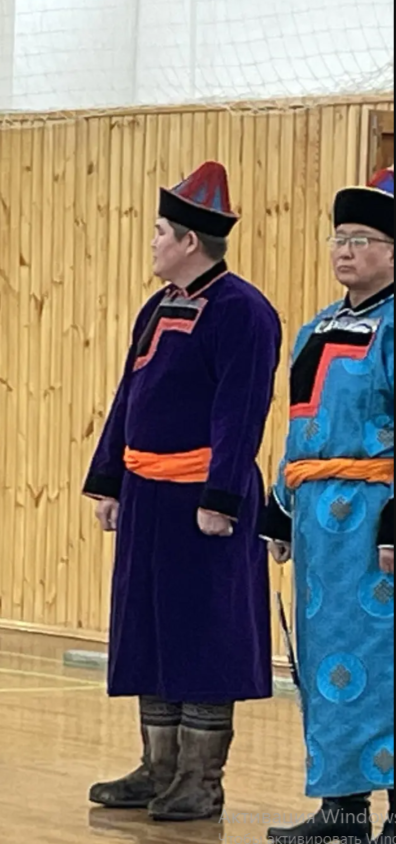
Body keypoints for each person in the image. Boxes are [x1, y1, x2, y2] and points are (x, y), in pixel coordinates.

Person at [82, 161, 282, 821]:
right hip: (148, 499)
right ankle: (158, 766)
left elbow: (240, 410)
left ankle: (200, 779)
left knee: (204, 633)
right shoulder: (158, 306)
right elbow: (129, 396)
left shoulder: (243, 312)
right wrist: (109, 480)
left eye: (159, 232)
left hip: (201, 501)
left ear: (190, 241)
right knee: (149, 628)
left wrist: (221, 498)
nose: (152, 242)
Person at [261, 166, 394, 844]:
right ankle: (343, 810)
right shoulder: (316, 328)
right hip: (320, 530)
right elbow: (300, 428)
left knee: (384, 660)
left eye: (361, 239)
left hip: (375, 518)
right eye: (338, 238)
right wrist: (279, 506)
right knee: (324, 663)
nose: (345, 250)